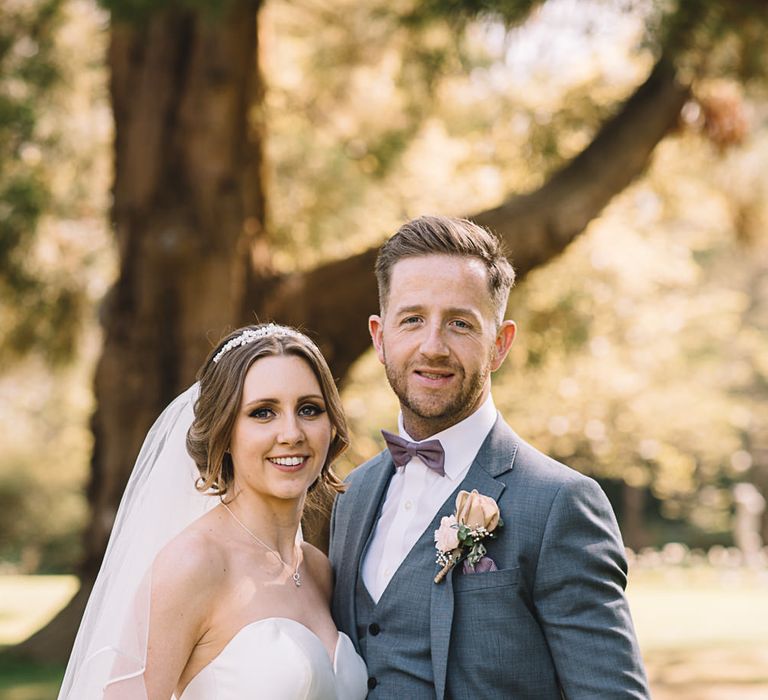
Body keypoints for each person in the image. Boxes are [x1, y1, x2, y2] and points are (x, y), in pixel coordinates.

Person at [329, 216, 651, 698]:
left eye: (460, 323)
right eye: (412, 319)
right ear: (379, 337)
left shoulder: (560, 503)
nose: (432, 346)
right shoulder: (350, 496)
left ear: (500, 345)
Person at [59, 323, 368, 700]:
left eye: (309, 409)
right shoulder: (194, 562)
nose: (292, 433)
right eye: (263, 412)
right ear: (225, 432)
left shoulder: (318, 570)